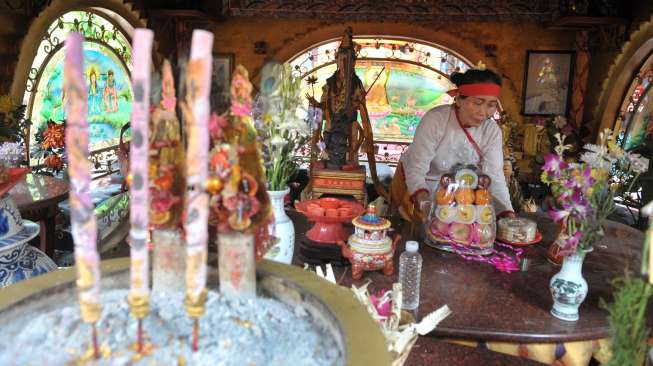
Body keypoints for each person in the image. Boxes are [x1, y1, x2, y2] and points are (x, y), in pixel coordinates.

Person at [390, 67, 515, 222]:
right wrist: (424, 201)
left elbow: (494, 175)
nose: (484, 112)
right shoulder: (436, 120)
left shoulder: (491, 131)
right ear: (459, 99)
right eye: (478, 103)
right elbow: (416, 168)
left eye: (491, 105)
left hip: (458, 193)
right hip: (417, 187)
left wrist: (507, 213)